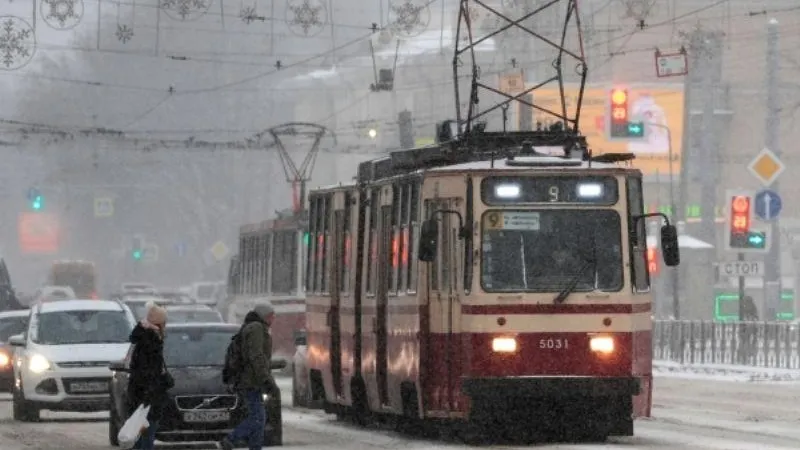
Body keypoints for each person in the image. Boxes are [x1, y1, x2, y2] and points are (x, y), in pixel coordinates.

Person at [219, 304, 276, 450]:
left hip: (251, 379)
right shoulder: (256, 328)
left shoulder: (254, 327)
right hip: (250, 381)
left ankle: (255, 446)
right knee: (257, 418)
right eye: (271, 315)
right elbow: (256, 356)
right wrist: (266, 379)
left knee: (259, 417)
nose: (273, 318)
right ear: (263, 316)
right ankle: (231, 439)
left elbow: (258, 356)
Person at [127, 302, 172, 450]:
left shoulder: (142, 338)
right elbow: (150, 372)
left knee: (140, 432)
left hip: (140, 395)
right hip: (148, 397)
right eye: (164, 322)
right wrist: (157, 387)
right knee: (147, 432)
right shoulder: (151, 341)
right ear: (159, 323)